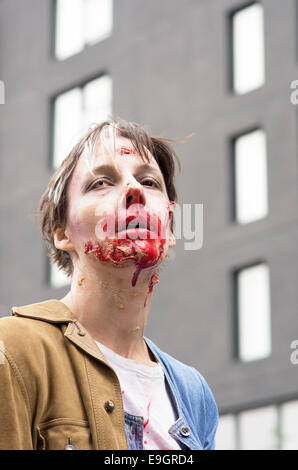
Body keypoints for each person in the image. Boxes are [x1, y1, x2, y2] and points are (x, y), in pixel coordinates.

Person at [0, 119, 218, 450]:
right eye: (101, 182)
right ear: (62, 233)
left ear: (170, 231)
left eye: (148, 181)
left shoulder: (194, 392)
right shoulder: (12, 351)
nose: (135, 190)